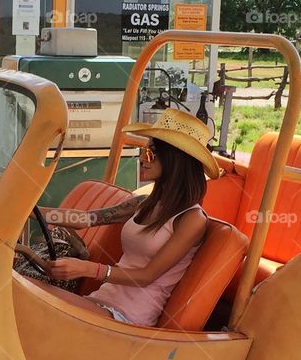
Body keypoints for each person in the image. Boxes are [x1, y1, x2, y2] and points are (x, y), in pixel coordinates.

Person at [38, 108, 223, 327]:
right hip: (100, 302)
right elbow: (85, 219)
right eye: (143, 152)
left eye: (150, 153)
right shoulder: (143, 203)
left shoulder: (191, 219)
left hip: (129, 318)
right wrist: (28, 209)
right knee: (21, 287)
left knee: (27, 295)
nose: (142, 159)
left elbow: (147, 276)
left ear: (174, 161)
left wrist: (87, 269)